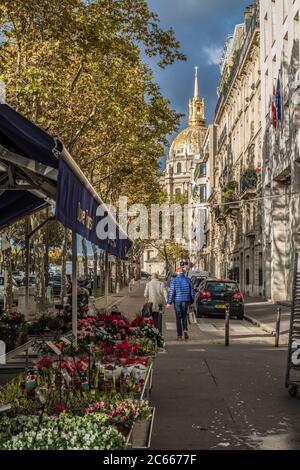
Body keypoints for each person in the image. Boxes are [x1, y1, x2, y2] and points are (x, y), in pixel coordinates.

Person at [166, 267, 195, 340]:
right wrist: (191, 301)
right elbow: (192, 292)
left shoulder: (174, 281)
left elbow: (172, 292)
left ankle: (179, 335)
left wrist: (169, 302)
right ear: (183, 273)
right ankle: (185, 330)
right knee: (184, 316)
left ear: (177, 272)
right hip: (186, 300)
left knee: (178, 317)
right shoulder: (188, 280)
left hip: (177, 301)